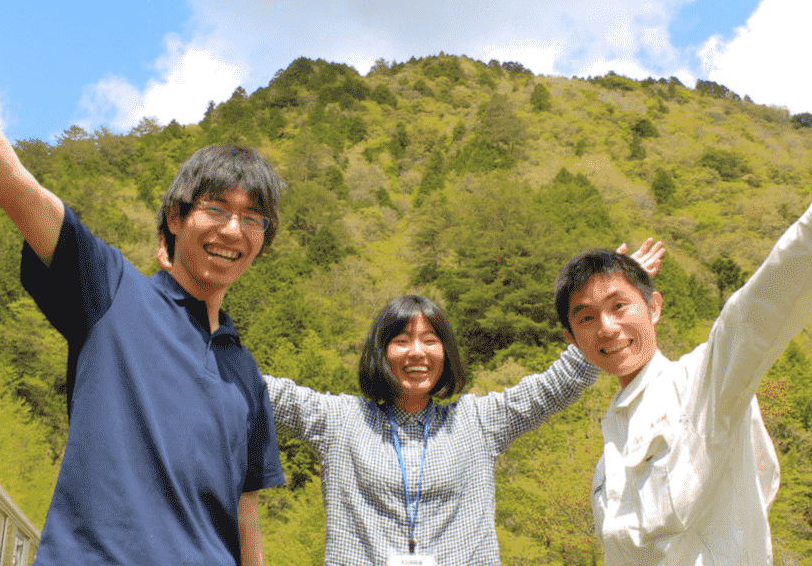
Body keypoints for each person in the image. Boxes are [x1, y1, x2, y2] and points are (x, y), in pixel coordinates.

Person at [0, 0, 284, 565]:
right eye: (217, 207)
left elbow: (246, 514)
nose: (232, 229)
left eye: (252, 219)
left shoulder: (244, 372)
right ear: (174, 217)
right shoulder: (111, 291)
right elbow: (15, 186)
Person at [553, 100, 812, 565]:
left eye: (620, 306)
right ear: (573, 339)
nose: (607, 327)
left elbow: (756, 312)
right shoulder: (606, 464)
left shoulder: (701, 386)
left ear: (655, 307)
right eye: (586, 317)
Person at [252, 240, 663, 566]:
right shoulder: (339, 420)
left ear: (446, 352)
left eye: (430, 340)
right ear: (380, 352)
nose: (417, 352)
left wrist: (612, 302)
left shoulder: (478, 421)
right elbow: (256, 390)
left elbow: (558, 384)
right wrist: (196, 334)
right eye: (401, 340)